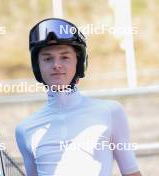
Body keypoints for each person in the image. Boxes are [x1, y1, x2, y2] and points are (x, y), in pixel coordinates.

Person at [15, 18, 141, 176]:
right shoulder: (25, 129)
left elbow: (131, 173)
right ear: (37, 66)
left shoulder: (110, 112)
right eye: (48, 58)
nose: (56, 64)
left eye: (65, 57)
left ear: (79, 63)